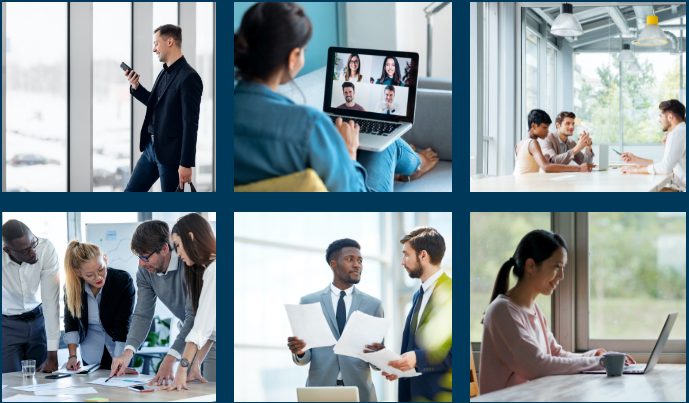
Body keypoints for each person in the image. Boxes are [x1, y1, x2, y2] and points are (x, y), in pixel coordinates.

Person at [234, 2, 438, 192]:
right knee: (387, 144)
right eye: (304, 50)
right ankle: (417, 164)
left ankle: (414, 161)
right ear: (293, 57)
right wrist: (349, 151)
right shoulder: (310, 125)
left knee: (380, 140)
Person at [479, 230, 635, 394]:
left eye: (563, 268)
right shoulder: (502, 311)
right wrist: (600, 362)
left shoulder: (533, 310)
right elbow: (536, 365)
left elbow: (555, 354)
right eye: (557, 267)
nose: (561, 276)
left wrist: (596, 356)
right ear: (530, 266)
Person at [109, 220, 210, 386]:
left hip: (211, 335)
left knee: (210, 388)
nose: (141, 263)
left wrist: (170, 359)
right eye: (139, 257)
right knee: (189, 388)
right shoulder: (145, 272)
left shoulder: (190, 263)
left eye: (145, 256)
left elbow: (194, 316)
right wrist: (128, 352)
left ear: (164, 249)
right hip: (191, 337)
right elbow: (142, 314)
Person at [287, 239, 383, 401]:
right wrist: (300, 351)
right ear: (333, 263)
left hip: (360, 393)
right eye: (349, 259)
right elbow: (304, 358)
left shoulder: (373, 305)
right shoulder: (309, 302)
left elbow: (375, 363)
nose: (357, 265)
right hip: (319, 391)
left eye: (359, 260)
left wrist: (379, 355)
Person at [123, 24, 203, 192]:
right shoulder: (163, 73)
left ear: (170, 42)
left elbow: (190, 124)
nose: (154, 49)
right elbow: (157, 106)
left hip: (171, 156)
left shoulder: (189, 77)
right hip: (151, 149)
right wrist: (136, 86)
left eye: (156, 43)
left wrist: (186, 163)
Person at [379, 228, 453, 402]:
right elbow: (415, 345)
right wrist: (400, 367)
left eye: (406, 255)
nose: (402, 262)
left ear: (423, 256)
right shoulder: (418, 295)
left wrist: (417, 359)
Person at [63, 241, 135, 371]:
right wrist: (72, 356)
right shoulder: (73, 288)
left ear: (106, 259)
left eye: (101, 269)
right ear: (79, 273)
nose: (98, 277)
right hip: (91, 352)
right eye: (89, 275)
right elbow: (71, 322)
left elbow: (123, 324)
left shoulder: (122, 281)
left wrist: (120, 360)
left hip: (119, 346)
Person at [165, 214, 216, 391]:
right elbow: (210, 330)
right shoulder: (208, 269)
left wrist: (181, 369)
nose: (178, 253)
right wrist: (195, 364)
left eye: (178, 246)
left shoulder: (215, 270)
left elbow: (200, 328)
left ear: (191, 237)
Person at [2, 220, 60, 374]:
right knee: (9, 381)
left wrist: (53, 355)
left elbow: (51, 302)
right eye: (25, 250)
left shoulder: (45, 248)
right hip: (7, 325)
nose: (33, 252)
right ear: (7, 250)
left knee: (41, 381)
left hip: (38, 322)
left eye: (33, 244)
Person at [621, 99, 686, 192]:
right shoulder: (681, 131)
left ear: (670, 117)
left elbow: (665, 168)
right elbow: (665, 163)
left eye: (661, 116)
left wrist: (635, 171)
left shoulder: (677, 133)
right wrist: (636, 160)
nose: (659, 120)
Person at [514, 109, 595, 174]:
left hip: (520, 182)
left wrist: (588, 146)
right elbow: (546, 167)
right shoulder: (533, 143)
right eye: (545, 128)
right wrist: (579, 168)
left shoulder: (521, 143)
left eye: (573, 124)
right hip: (524, 186)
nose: (547, 131)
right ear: (534, 126)